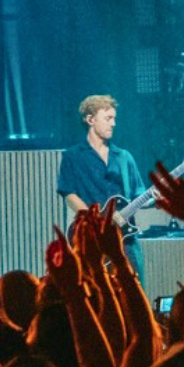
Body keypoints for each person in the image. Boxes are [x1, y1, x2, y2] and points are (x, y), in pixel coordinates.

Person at [56, 94, 145, 283]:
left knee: (133, 289)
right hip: (91, 237)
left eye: (114, 118)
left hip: (125, 240)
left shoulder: (124, 157)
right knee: (95, 288)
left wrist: (157, 197)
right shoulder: (72, 156)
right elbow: (69, 194)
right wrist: (95, 222)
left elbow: (139, 194)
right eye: (108, 118)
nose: (113, 124)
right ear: (90, 120)